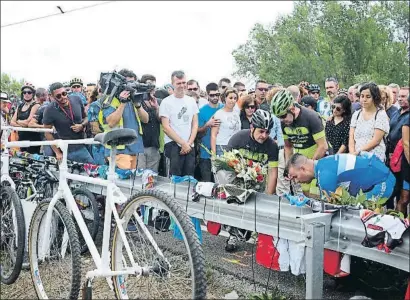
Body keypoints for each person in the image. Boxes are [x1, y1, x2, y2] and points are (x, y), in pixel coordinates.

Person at [223, 109, 279, 252]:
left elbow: (273, 172)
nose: (264, 136)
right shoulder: (238, 138)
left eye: (267, 132)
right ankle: (232, 235)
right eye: (261, 131)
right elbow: (226, 165)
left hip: (258, 181)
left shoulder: (272, 145)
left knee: (255, 207)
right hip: (237, 178)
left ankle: (252, 233)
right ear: (252, 127)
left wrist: (269, 196)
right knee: (235, 205)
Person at [271, 89, 328, 196]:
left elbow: (323, 146)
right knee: (307, 197)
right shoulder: (284, 122)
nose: (282, 120)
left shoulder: (311, 117)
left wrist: (309, 167)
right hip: (300, 164)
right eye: (279, 117)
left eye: (283, 116)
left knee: (317, 196)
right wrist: (289, 168)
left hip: (317, 161)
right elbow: (288, 147)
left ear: (292, 108)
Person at [285, 152, 396, 201]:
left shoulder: (324, 176)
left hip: (382, 182)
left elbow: (329, 208)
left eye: (295, 177)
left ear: (303, 169)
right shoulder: (323, 163)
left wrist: (305, 201)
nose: (297, 181)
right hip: (382, 174)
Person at [99, 69, 149, 169]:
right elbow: (111, 122)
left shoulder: (134, 99)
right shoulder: (109, 100)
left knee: (132, 183)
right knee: (122, 182)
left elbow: (146, 119)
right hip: (118, 149)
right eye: (128, 83)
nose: (131, 87)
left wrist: (138, 105)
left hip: (134, 148)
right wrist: (122, 103)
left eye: (133, 83)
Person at [159, 70, 198, 177]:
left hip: (190, 145)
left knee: (189, 178)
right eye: (178, 83)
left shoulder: (191, 101)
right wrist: (182, 143)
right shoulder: (166, 102)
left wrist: (189, 143)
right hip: (173, 145)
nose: (182, 85)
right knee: (174, 179)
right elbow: (166, 127)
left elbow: (195, 124)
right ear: (172, 84)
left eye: (184, 82)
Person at [43, 82, 94, 163]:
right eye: (58, 96)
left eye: (64, 93)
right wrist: (57, 152)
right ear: (52, 97)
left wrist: (82, 125)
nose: (63, 97)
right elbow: (47, 133)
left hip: (85, 142)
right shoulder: (49, 109)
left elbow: (86, 117)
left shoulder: (76, 99)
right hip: (70, 148)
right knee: (93, 170)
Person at [349, 83, 390, 162]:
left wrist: (359, 152)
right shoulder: (356, 114)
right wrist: (352, 153)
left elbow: (376, 141)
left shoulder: (380, 115)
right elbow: (351, 137)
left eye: (368, 97)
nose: (364, 99)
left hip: (374, 159)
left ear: (375, 98)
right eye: (362, 96)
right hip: (357, 159)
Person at [197, 82, 223, 182]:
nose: (215, 97)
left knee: (221, 184)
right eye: (212, 95)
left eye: (217, 94)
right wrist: (207, 124)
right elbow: (196, 131)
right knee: (207, 183)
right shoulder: (202, 111)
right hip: (205, 153)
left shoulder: (223, 108)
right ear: (208, 95)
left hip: (222, 152)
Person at [10, 82, 42, 154]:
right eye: (24, 92)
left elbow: (28, 122)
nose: (26, 94)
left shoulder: (36, 105)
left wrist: (17, 121)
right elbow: (12, 122)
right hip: (21, 138)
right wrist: (21, 124)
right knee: (21, 160)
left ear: (33, 94)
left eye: (29, 92)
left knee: (32, 161)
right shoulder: (20, 105)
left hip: (33, 138)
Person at [210, 88, 241, 156]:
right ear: (225, 98)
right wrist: (214, 155)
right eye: (230, 98)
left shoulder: (237, 113)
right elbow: (213, 135)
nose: (233, 100)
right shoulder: (219, 114)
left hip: (235, 148)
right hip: (222, 147)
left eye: (235, 98)